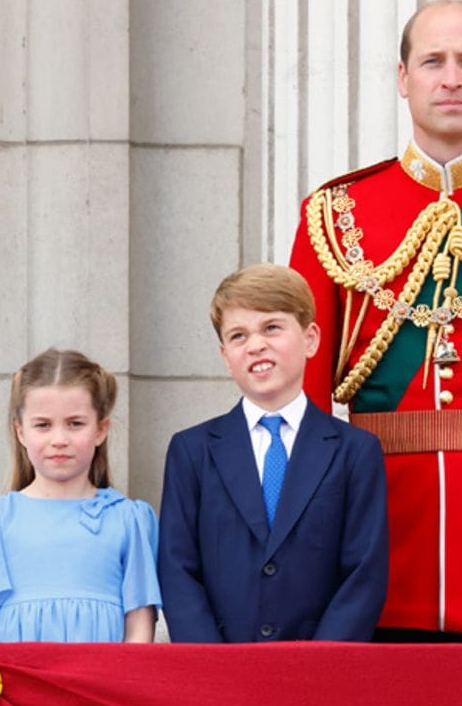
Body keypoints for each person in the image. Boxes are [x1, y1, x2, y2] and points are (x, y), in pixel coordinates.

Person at [287, 0, 462, 641]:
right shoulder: (336, 212)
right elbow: (303, 405)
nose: (451, 78)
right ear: (404, 80)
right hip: (375, 556)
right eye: (433, 61)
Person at [159, 266, 389, 643]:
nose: (255, 345)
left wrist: (317, 664)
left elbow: (364, 571)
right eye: (238, 335)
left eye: (271, 328)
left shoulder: (355, 451)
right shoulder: (192, 451)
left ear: (310, 338)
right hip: (221, 668)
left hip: (317, 670)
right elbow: (177, 566)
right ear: (225, 355)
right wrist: (210, 662)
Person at [0, 350, 158, 643]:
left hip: (98, 683)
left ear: (101, 429)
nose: (59, 439)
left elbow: (139, 630)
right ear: (21, 432)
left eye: (75, 423)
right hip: (16, 683)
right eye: (43, 425)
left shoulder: (129, 519)